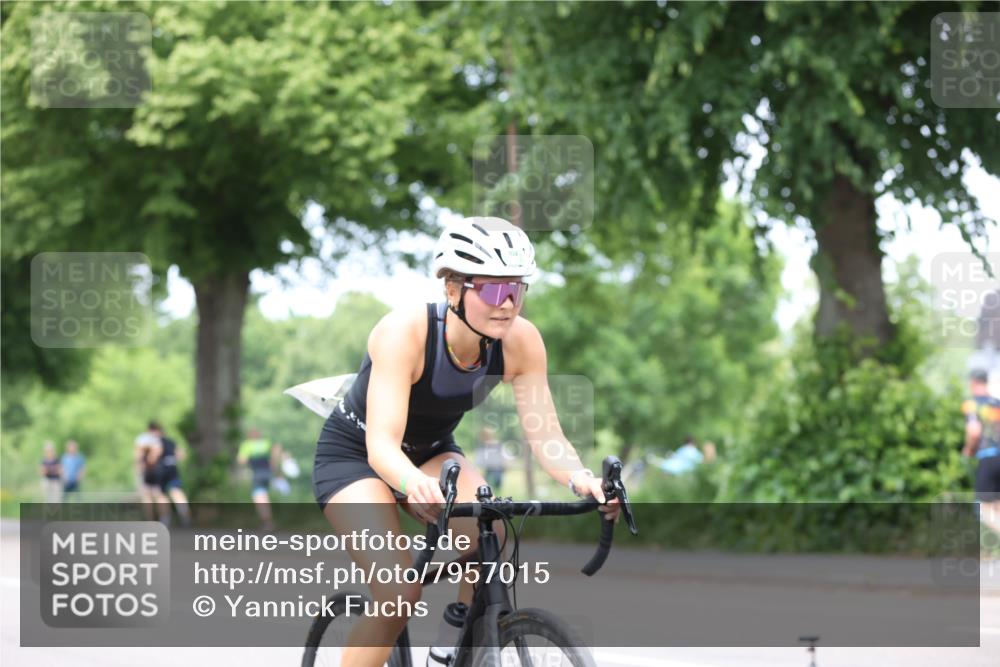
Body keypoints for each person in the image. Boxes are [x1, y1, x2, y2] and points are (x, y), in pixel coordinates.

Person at [312, 216, 620, 667]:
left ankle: (449, 648)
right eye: (495, 291)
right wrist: (409, 482)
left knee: (490, 532)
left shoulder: (521, 342)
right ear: (454, 289)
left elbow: (547, 434)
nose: (508, 305)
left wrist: (581, 479)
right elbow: (381, 445)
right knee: (399, 593)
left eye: (517, 290)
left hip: (432, 451)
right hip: (356, 457)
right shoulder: (405, 333)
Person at [962, 369, 1000, 535]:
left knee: (983, 509)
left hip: (988, 457)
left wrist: (969, 449)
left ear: (973, 382)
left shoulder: (972, 404)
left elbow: (974, 431)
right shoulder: (997, 403)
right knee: (997, 508)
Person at [151, 425, 192, 526]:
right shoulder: (171, 442)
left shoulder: (155, 442)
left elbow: (154, 456)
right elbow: (181, 454)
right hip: (173, 468)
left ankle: (165, 519)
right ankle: (185, 515)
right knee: (176, 492)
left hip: (161, 470)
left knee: (161, 495)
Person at [237, 428, 275, 530]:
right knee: (264, 495)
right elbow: (272, 459)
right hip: (267, 474)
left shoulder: (247, 444)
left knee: (259, 498)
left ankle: (266, 522)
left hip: (257, 473)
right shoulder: (266, 443)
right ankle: (268, 522)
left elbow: (241, 460)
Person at [135, 421, 169, 522]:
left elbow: (137, 455)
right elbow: (157, 453)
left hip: (149, 470)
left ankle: (151, 520)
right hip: (156, 469)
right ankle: (163, 519)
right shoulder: (157, 439)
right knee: (158, 495)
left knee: (148, 496)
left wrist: (140, 467)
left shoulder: (142, 438)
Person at [474, 426, 505, 492]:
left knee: (497, 484)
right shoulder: (482, 446)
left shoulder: (497, 444)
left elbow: (503, 455)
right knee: (487, 485)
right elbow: (479, 458)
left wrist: (504, 463)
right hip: (488, 469)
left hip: (498, 468)